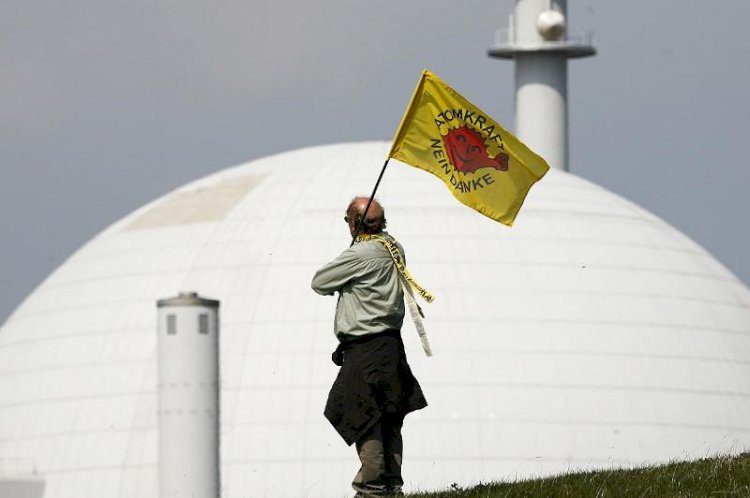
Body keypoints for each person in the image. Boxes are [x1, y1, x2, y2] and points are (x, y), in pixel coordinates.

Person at [311, 196, 428, 498]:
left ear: (353, 223)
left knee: (366, 416)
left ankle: (372, 490)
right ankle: (392, 486)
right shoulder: (393, 247)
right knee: (390, 417)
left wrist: (351, 254)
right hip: (391, 346)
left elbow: (320, 281)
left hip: (365, 349)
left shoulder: (359, 255)